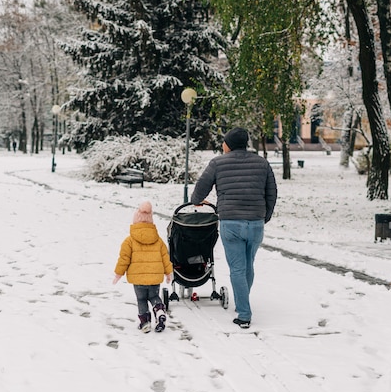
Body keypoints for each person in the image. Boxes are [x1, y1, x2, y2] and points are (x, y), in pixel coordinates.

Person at [190, 127, 277, 329]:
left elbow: (202, 185)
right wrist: (265, 216)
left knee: (237, 268)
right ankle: (242, 301)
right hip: (255, 222)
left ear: (228, 144)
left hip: (231, 223)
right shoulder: (262, 163)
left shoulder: (218, 163)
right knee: (248, 265)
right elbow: (271, 192)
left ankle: (244, 313)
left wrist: (195, 201)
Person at [113, 201, 173, 333]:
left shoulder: (129, 241)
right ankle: (159, 311)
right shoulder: (158, 240)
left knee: (141, 299)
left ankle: (145, 323)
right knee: (154, 296)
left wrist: (118, 274)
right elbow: (165, 257)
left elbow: (124, 259)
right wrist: (168, 273)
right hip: (155, 278)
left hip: (138, 279)